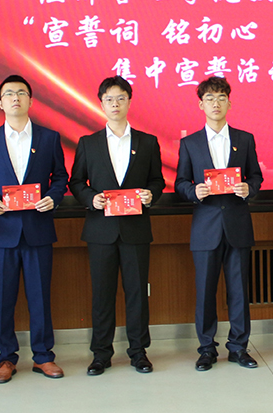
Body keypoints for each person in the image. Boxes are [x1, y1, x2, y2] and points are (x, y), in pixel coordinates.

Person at [0, 75, 69, 383]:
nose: (16, 98)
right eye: (9, 94)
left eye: (22, 93)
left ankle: (43, 356)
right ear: (0, 102)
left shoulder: (48, 138)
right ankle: (6, 358)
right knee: (3, 298)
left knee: (40, 296)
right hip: (3, 231)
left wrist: (53, 198)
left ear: (30, 100)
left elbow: (60, 177)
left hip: (38, 229)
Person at [69, 76, 165, 376]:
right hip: (101, 230)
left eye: (121, 98)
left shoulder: (147, 142)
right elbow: (76, 182)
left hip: (135, 229)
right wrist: (91, 198)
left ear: (129, 102)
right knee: (102, 294)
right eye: (109, 99)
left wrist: (151, 194)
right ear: (101, 104)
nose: (115, 104)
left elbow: (157, 180)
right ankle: (101, 353)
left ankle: (139, 352)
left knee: (137, 293)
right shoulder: (88, 143)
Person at [175, 76, 264, 371]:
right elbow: (180, 182)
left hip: (237, 224)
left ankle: (239, 347)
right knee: (205, 292)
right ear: (201, 105)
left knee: (239, 290)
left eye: (221, 98)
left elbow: (256, 176)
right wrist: (194, 191)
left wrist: (248, 189)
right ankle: (206, 349)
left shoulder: (244, 139)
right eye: (210, 99)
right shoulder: (189, 143)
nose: (216, 104)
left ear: (229, 103)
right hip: (206, 227)